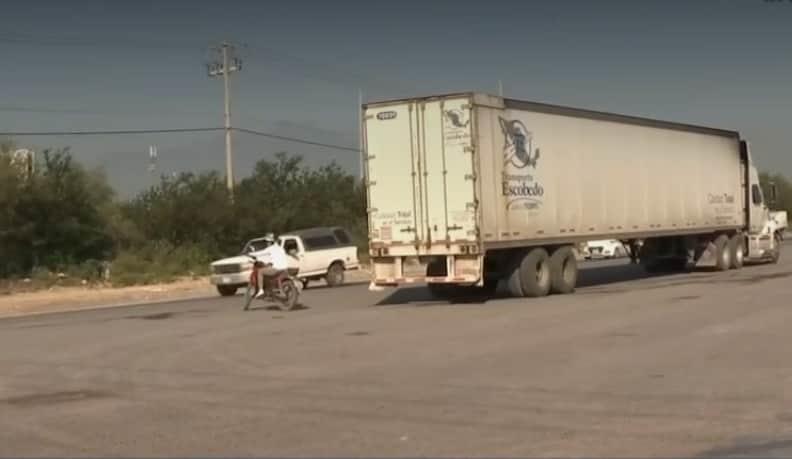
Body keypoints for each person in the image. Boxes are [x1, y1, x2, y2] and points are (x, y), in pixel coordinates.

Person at [253, 233, 289, 298]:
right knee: (270, 270)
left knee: (260, 271)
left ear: (270, 242)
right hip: (285, 269)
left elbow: (259, 253)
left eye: (267, 242)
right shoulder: (280, 248)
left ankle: (261, 290)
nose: (267, 243)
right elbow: (276, 258)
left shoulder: (270, 248)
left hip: (277, 269)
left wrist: (249, 254)